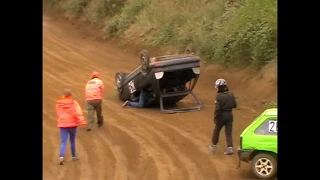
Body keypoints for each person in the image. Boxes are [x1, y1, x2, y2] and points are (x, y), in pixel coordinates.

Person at [56, 89, 86, 165]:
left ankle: (61, 157)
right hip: (72, 125)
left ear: (64, 95)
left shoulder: (59, 103)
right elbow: (78, 113)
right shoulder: (74, 103)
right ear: (70, 95)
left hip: (62, 125)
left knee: (63, 141)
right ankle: (73, 156)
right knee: (72, 140)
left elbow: (58, 113)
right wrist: (82, 122)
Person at [209, 79, 237, 155]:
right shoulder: (231, 95)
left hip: (221, 115)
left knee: (216, 130)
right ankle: (230, 148)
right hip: (230, 115)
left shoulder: (219, 96)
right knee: (228, 132)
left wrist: (216, 117)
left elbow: (217, 109)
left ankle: (214, 146)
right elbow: (235, 105)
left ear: (220, 87)